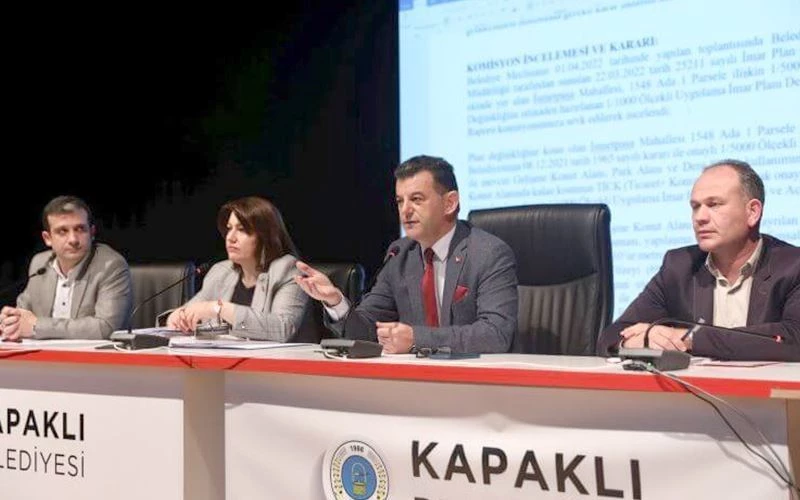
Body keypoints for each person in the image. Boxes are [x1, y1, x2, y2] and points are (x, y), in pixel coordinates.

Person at [295, 155, 518, 354]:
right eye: (400, 201)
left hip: (473, 378)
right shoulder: (400, 254)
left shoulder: (488, 253)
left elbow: (496, 334)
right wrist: (336, 301)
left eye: (417, 199)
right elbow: (365, 331)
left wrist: (416, 339)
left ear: (450, 203)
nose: (405, 210)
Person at [597, 159, 800, 361]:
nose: (700, 217)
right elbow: (611, 335)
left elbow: (794, 338)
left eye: (714, 204)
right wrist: (636, 341)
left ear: (753, 212)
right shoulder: (679, 266)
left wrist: (690, 338)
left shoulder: (793, 266)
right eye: (695, 207)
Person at [166, 196, 308, 341]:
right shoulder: (222, 271)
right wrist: (179, 316)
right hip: (223, 354)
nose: (231, 237)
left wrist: (220, 309)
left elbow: (283, 328)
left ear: (265, 237)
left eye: (242, 230)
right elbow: (196, 307)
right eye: (229, 228)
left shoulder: (288, 269)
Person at [0, 195, 132, 340]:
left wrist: (37, 326)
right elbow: (23, 312)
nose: (73, 239)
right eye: (62, 231)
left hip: (91, 353)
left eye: (80, 229)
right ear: (47, 238)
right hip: (45, 352)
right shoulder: (40, 263)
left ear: (92, 233)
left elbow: (106, 328)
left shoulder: (111, 265)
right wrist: (11, 321)